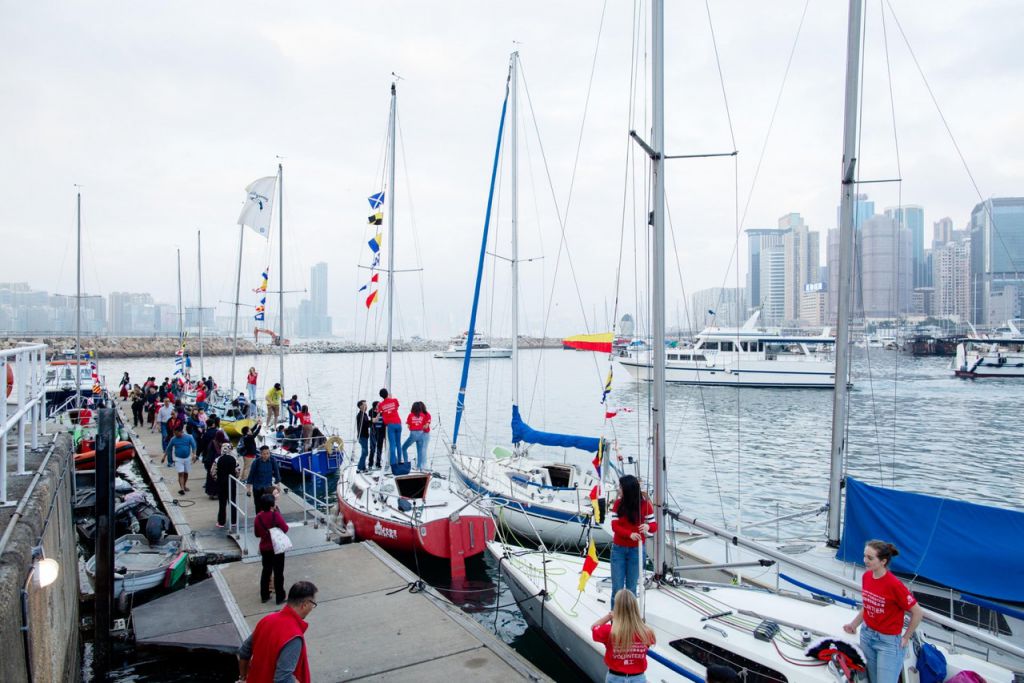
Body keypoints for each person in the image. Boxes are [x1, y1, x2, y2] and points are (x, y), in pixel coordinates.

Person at [843, 540, 924, 683]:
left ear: (883, 561)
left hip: (888, 642)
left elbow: (917, 612)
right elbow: (868, 605)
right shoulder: (866, 577)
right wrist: (854, 625)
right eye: (864, 556)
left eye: (870, 558)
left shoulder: (894, 585)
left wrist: (906, 637)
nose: (865, 561)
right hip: (867, 635)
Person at [237, 581, 317, 683]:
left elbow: (244, 651)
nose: (312, 608)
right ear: (305, 605)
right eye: (313, 604)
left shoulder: (266, 620)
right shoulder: (294, 637)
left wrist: (243, 678)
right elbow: (282, 679)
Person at [609, 475, 657, 608]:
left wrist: (648, 527)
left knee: (631, 590)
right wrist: (629, 534)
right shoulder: (618, 504)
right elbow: (614, 526)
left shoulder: (645, 505)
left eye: (620, 487)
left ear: (628, 489)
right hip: (619, 549)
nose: (619, 490)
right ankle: (615, 620)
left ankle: (630, 621)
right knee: (617, 589)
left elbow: (653, 526)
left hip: (636, 551)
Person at [591, 589, 656, 683]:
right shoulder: (647, 632)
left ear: (616, 609)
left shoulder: (610, 631)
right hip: (638, 678)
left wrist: (609, 616)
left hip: (615, 677)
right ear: (635, 609)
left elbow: (594, 627)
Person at [254, 493, 289, 605]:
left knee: (266, 571)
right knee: (278, 572)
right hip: (277, 548)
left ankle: (264, 595)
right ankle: (280, 596)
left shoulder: (258, 518)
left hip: (265, 548)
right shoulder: (275, 515)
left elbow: (257, 534)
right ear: (272, 505)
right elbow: (285, 528)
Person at [164, 424, 198, 496]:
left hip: (187, 458)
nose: (175, 435)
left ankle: (184, 485)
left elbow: (194, 446)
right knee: (181, 473)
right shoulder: (173, 439)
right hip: (178, 459)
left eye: (176, 433)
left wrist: (194, 455)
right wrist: (164, 457)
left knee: (186, 473)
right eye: (174, 433)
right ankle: (182, 489)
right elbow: (169, 448)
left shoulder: (189, 437)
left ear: (181, 432)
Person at [213, 443, 240, 529]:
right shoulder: (234, 459)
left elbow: (213, 472)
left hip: (221, 484)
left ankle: (221, 522)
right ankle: (233, 521)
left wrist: (217, 479)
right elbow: (237, 472)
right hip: (231, 483)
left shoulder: (218, 459)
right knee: (232, 502)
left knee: (222, 503)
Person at [401, 401, 432, 470]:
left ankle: (406, 465)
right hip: (421, 434)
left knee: (403, 448)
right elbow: (425, 425)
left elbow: (409, 426)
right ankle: (419, 468)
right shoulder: (423, 415)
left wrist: (413, 426)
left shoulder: (410, 415)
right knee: (420, 451)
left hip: (413, 434)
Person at [378, 388, 402, 468]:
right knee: (398, 443)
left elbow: (379, 411)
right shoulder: (394, 400)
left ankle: (393, 464)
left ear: (381, 396)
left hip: (390, 425)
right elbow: (397, 407)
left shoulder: (381, 404)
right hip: (398, 423)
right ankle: (400, 461)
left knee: (392, 444)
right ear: (388, 393)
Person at [368, 400, 386, 469]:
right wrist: (379, 413)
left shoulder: (383, 412)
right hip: (374, 432)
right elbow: (374, 420)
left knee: (379, 448)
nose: (380, 406)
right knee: (372, 448)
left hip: (381, 432)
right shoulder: (371, 411)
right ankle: (370, 464)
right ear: (375, 406)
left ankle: (378, 463)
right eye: (378, 405)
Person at [355, 400, 371, 472]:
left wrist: (370, 422)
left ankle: (363, 467)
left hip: (365, 436)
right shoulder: (360, 415)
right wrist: (371, 421)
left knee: (364, 452)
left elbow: (367, 424)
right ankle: (360, 467)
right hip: (362, 436)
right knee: (365, 452)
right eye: (364, 405)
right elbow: (365, 424)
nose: (366, 406)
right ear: (360, 406)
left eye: (366, 405)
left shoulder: (365, 414)